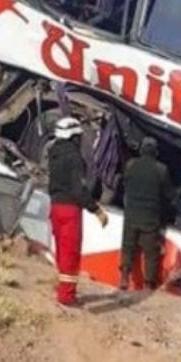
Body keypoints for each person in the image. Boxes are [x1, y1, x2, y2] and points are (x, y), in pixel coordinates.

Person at [48, 116, 109, 306]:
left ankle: (61, 286)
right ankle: (66, 296)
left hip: (55, 207)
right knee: (70, 252)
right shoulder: (74, 157)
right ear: (73, 137)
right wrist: (95, 209)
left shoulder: (53, 152)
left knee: (61, 250)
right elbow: (78, 190)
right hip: (70, 210)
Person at [119, 136, 175, 290]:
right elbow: (169, 194)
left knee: (128, 246)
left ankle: (124, 278)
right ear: (155, 152)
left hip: (131, 213)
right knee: (151, 252)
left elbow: (125, 183)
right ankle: (149, 284)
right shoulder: (161, 169)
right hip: (151, 216)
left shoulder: (130, 165)